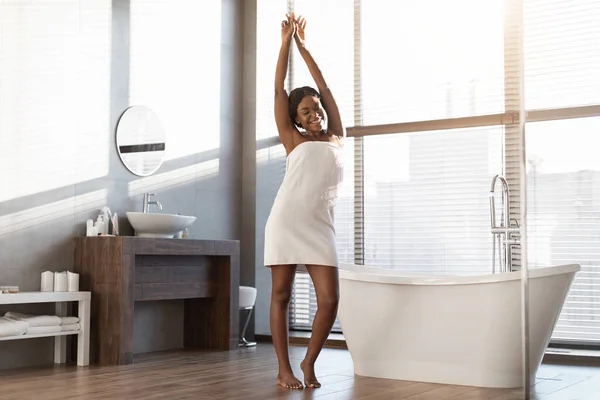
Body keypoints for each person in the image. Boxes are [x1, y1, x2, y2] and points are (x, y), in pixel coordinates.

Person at [263, 12, 346, 390]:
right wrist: (283, 45)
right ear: (296, 121)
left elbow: (325, 87)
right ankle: (284, 370)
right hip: (286, 219)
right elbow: (279, 88)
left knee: (329, 300)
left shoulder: (337, 136)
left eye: (317, 108)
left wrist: (303, 46)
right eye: (307, 111)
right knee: (280, 295)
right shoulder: (293, 140)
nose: (316, 113)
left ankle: (309, 362)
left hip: (319, 225)